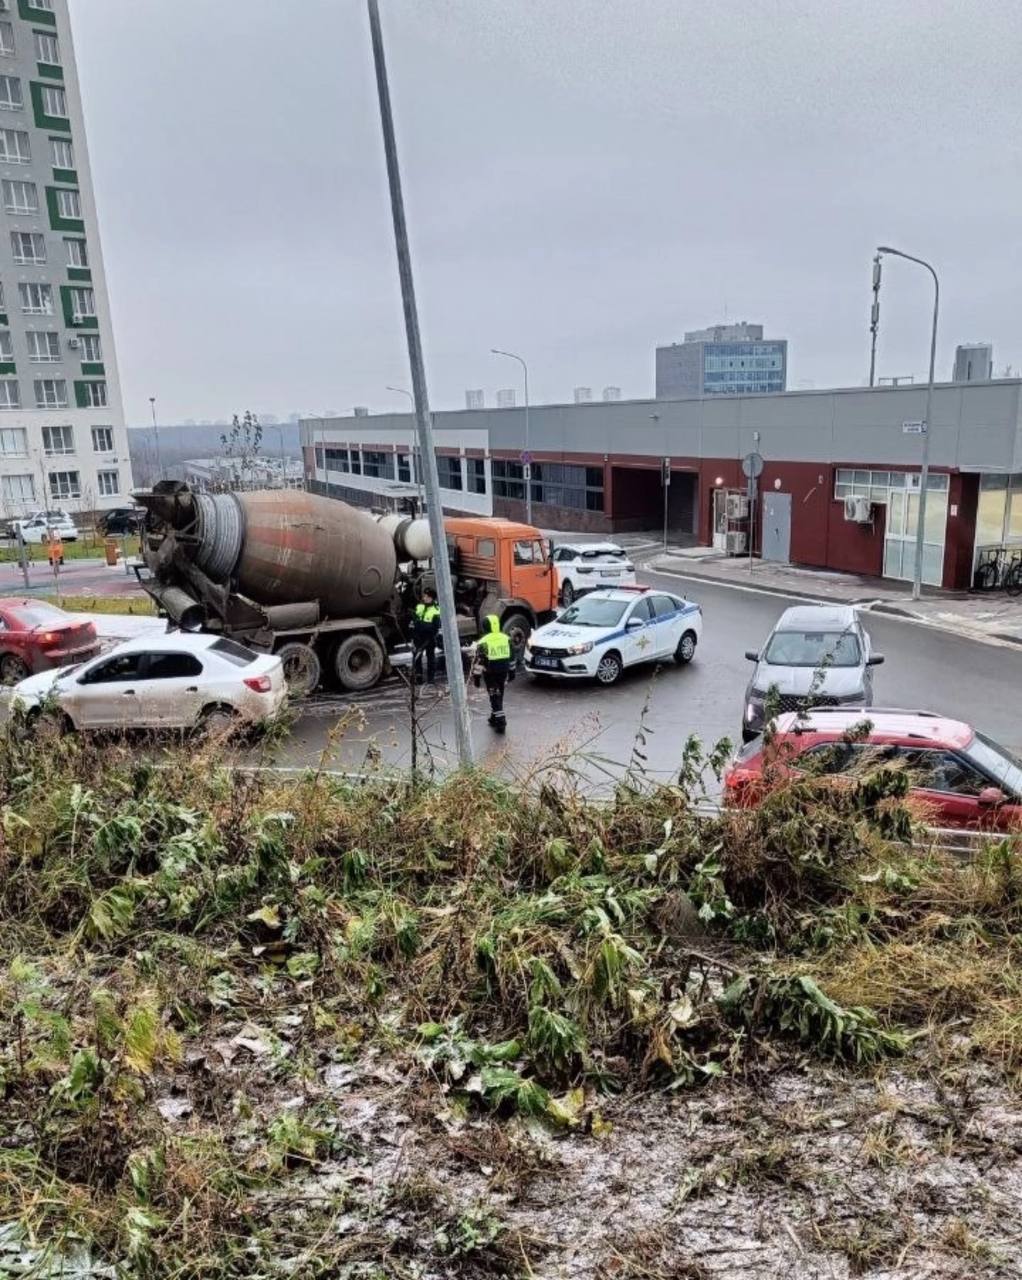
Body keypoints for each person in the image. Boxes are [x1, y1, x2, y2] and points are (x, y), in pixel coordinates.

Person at [474, 614, 513, 733]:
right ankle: (494, 717)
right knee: (498, 693)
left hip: (490, 673)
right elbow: (512, 656)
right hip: (503, 671)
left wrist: (476, 677)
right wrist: (512, 672)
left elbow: (479, 661)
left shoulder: (483, 641)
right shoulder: (506, 638)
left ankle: (501, 721)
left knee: (494, 695)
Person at [412, 589, 440, 684]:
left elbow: (435, 627)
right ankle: (418, 677)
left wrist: (421, 624)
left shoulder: (436, 610)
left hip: (429, 638)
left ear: (432, 598)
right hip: (418, 637)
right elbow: (414, 621)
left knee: (430, 658)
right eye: (424, 596)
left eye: (427, 597)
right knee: (417, 657)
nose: (424, 598)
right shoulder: (419, 607)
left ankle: (430, 679)